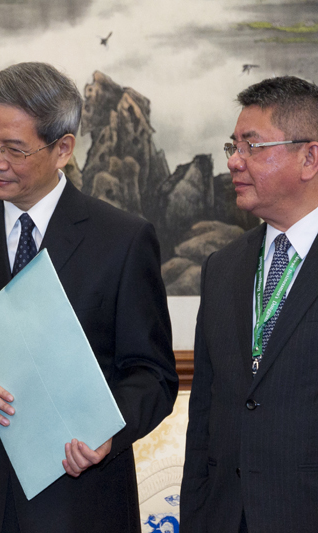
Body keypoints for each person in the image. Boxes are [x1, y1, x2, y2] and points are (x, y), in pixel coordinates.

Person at [0, 62, 179, 532]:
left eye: (14, 149)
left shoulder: (122, 239)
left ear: (63, 148)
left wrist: (108, 431)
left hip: (84, 500)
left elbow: (152, 375)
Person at [181, 76, 318, 533]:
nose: (234, 161)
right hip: (224, 517)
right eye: (233, 146)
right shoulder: (222, 267)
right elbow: (204, 412)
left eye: (252, 146)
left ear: (309, 158)